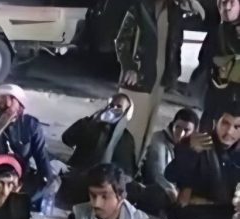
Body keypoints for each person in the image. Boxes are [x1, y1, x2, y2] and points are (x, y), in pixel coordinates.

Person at [165, 105, 240, 219]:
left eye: (237, 127)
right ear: (215, 122)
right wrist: (190, 151)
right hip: (194, 216)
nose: (229, 131)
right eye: (225, 123)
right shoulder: (198, 142)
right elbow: (171, 174)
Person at [115, 0, 185, 157]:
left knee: (147, 130)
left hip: (159, 81)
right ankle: (121, 166)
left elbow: (176, 45)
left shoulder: (174, 11)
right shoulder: (139, 8)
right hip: (137, 79)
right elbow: (122, 40)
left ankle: (137, 165)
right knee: (129, 130)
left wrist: (174, 73)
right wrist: (130, 67)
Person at [0, 84, 53, 197]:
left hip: (21, 180)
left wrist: (46, 183)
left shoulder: (31, 125)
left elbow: (41, 158)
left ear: (17, 101)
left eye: (3, 97)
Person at [136, 107, 199, 214]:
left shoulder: (195, 148)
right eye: (178, 127)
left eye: (186, 130)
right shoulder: (159, 139)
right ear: (172, 125)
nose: (181, 133)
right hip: (157, 190)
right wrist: (173, 192)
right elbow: (158, 173)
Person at [62, 93, 137, 176]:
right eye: (111, 105)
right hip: (75, 175)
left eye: (119, 106)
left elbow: (126, 169)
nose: (114, 108)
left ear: (127, 112)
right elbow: (67, 138)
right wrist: (90, 122)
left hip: (100, 180)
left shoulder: (125, 138)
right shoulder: (91, 124)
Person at [201, 0, 240, 130]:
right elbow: (206, 61)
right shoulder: (217, 32)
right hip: (217, 103)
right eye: (223, 2)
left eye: (231, 1)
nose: (227, 6)